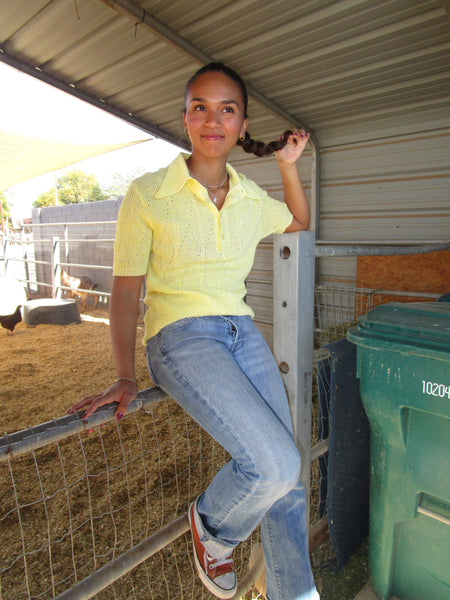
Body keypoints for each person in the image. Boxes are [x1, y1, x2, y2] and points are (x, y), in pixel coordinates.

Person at [68, 63, 319, 600]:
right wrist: (124, 374)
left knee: (288, 476)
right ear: (184, 118)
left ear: (241, 121)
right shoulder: (148, 194)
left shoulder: (251, 197)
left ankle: (296, 593)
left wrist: (288, 165)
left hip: (242, 331)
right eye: (199, 107)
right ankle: (213, 529)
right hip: (181, 338)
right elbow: (127, 291)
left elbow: (298, 220)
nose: (212, 119)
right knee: (273, 462)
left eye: (226, 108)